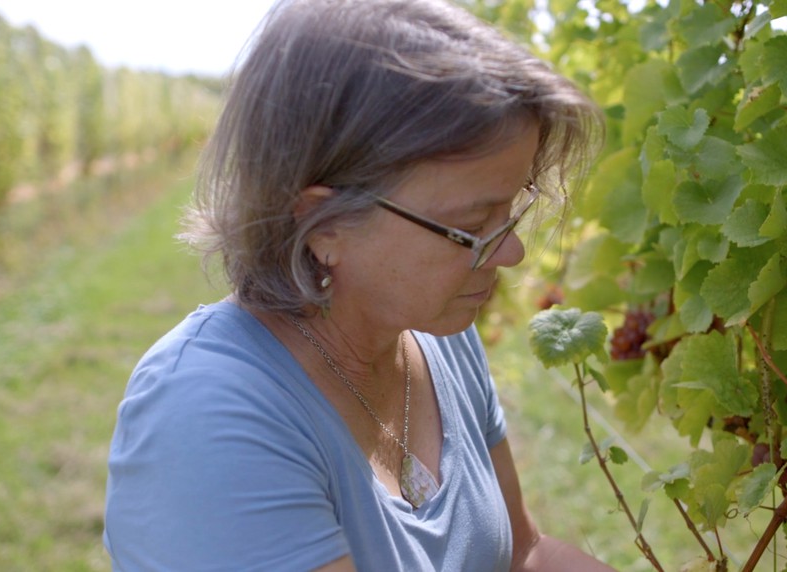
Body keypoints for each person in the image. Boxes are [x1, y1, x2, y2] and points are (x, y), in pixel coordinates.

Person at [103, 0, 613, 570]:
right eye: (470, 227)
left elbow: (524, 553)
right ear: (323, 224)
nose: (512, 252)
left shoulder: (437, 335)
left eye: (512, 211)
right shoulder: (207, 420)